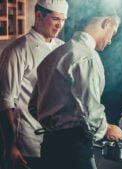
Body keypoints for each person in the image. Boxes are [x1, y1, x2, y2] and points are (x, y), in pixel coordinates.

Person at [28, 15, 122, 169]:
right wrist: (106, 129)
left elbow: (33, 106)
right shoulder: (87, 57)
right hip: (74, 151)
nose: (111, 40)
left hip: (49, 148)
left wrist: (58, 123)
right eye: (113, 33)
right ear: (107, 23)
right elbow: (91, 113)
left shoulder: (53, 56)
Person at [0, 0, 68, 169]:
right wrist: (11, 144)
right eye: (55, 19)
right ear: (39, 15)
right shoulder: (17, 50)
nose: (60, 25)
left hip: (57, 137)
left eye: (63, 20)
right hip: (28, 140)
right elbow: (6, 100)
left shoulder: (62, 48)